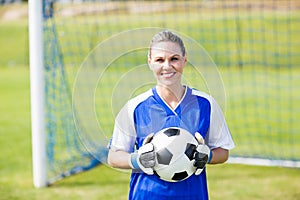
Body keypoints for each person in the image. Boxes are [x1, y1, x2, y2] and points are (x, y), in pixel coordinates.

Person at [107, 30, 235, 200]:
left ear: (184, 60)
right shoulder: (135, 107)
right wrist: (137, 160)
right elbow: (114, 156)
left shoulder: (206, 104)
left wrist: (208, 156)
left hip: (193, 195)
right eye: (159, 60)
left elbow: (223, 152)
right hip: (146, 195)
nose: (167, 66)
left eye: (174, 59)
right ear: (150, 62)